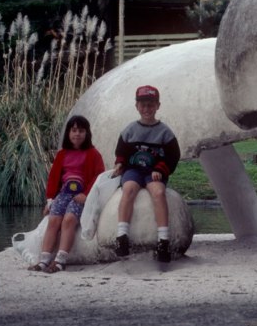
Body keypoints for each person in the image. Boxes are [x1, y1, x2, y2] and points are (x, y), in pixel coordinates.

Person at [28, 115, 105, 273]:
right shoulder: (62, 154)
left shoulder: (93, 154)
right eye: (74, 130)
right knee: (54, 219)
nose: (77, 134)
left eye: (81, 131)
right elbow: (54, 178)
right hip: (64, 194)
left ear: (87, 133)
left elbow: (99, 176)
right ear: (68, 133)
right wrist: (50, 200)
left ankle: (60, 261)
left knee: (69, 219)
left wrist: (86, 195)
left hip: (81, 196)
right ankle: (44, 260)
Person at [112, 85, 180, 263]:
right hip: (134, 170)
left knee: (158, 192)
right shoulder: (130, 130)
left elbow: (173, 156)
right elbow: (121, 150)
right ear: (136, 106)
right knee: (128, 189)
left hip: (154, 171)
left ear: (158, 106)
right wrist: (120, 163)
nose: (146, 109)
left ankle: (163, 240)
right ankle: (122, 236)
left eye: (150, 105)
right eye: (143, 105)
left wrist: (161, 169)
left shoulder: (165, 132)